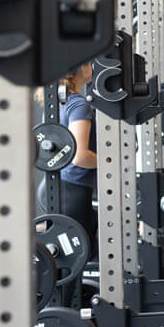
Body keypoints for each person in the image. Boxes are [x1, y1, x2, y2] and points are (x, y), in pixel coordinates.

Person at [58, 62, 99, 259]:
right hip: (74, 191)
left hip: (61, 189)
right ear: (82, 66)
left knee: (68, 261)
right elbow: (80, 156)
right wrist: (112, 163)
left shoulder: (58, 101)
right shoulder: (78, 104)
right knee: (78, 258)